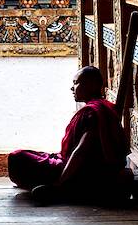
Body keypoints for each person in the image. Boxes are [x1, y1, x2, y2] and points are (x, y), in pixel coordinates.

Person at [7, 66, 131, 205]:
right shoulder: (100, 107)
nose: (72, 88)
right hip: (75, 163)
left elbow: (80, 151)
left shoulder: (94, 112)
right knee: (27, 156)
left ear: (92, 85)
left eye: (76, 83)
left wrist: (60, 183)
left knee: (17, 157)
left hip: (83, 170)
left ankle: (66, 188)